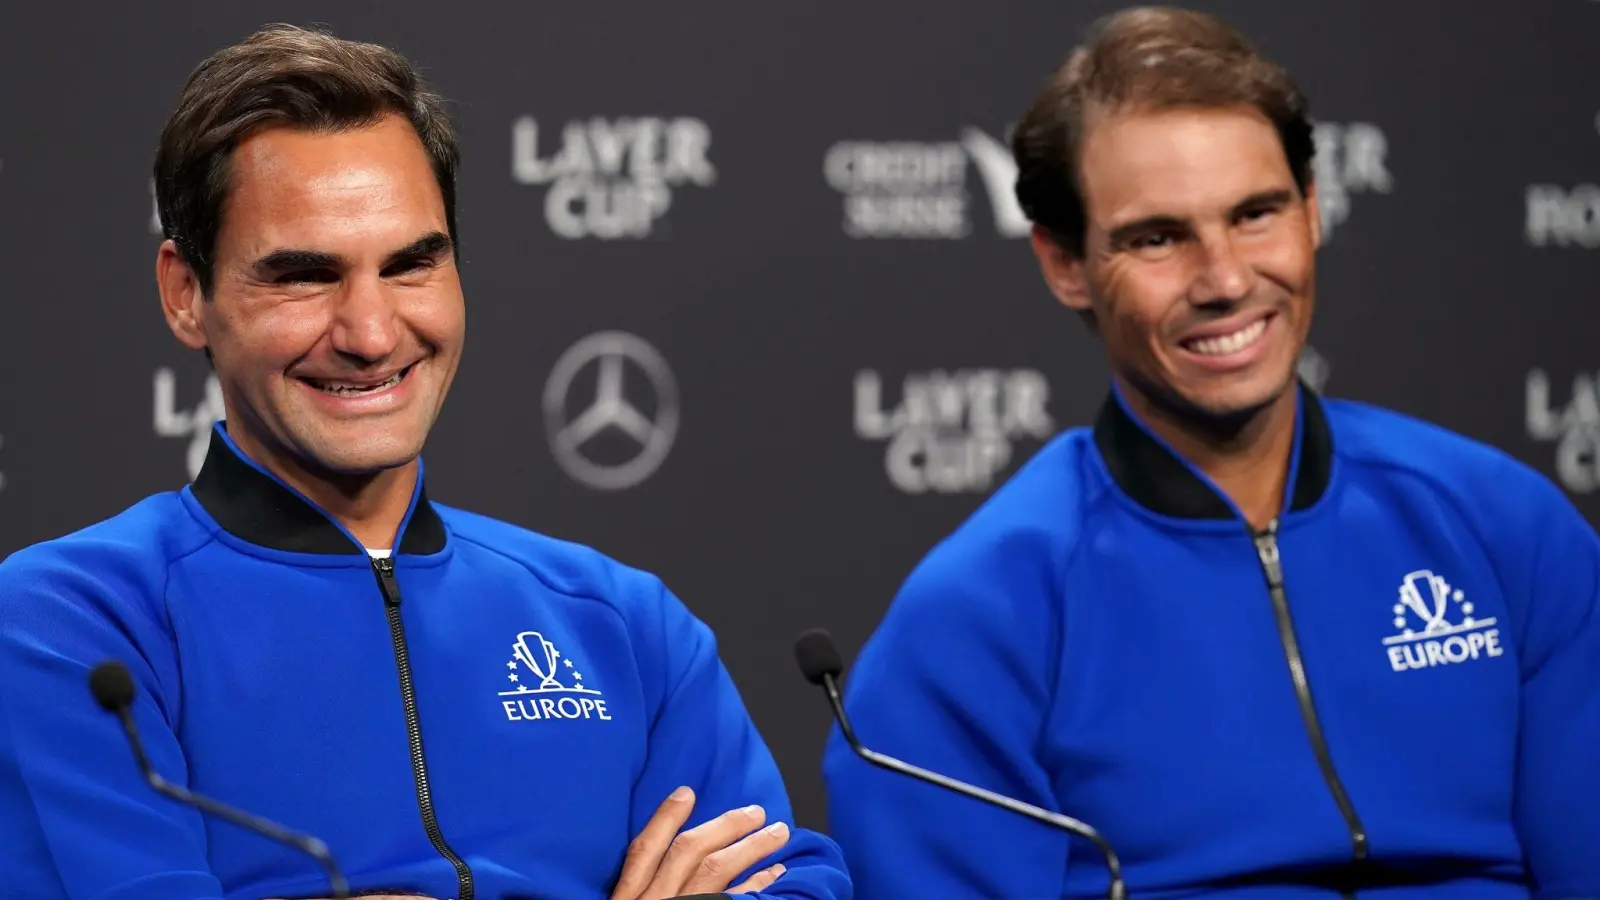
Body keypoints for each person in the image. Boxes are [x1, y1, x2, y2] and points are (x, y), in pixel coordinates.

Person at [0, 24, 850, 900]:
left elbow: (794, 883)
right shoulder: (74, 625)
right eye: (303, 276)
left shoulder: (623, 624)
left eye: (412, 264)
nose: (370, 334)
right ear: (187, 294)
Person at [822, 7, 1600, 900]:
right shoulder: (976, 618)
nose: (1226, 280)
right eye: (1158, 237)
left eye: (1256, 214)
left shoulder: (1505, 527)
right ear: (1065, 263)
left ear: (1312, 212)